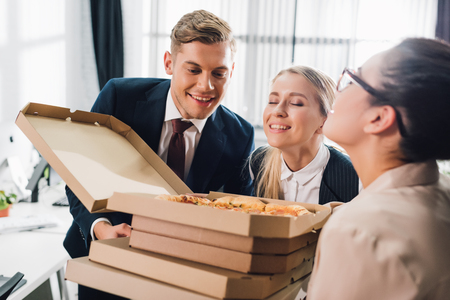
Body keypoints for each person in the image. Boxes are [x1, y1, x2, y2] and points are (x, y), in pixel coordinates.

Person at [64, 10, 254, 299]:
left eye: (219, 73)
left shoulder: (240, 135)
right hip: (108, 259)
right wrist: (101, 228)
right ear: (169, 63)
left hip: (188, 275)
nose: (206, 86)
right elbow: (79, 176)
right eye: (193, 69)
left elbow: (240, 215)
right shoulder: (119, 98)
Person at [307, 38, 450, 299]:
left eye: (352, 79)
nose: (338, 90)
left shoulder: (357, 231)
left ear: (379, 118)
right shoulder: (443, 192)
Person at [249, 66, 359, 204]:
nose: (277, 110)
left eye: (296, 103)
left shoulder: (354, 179)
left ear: (324, 121)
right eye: (273, 101)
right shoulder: (258, 162)